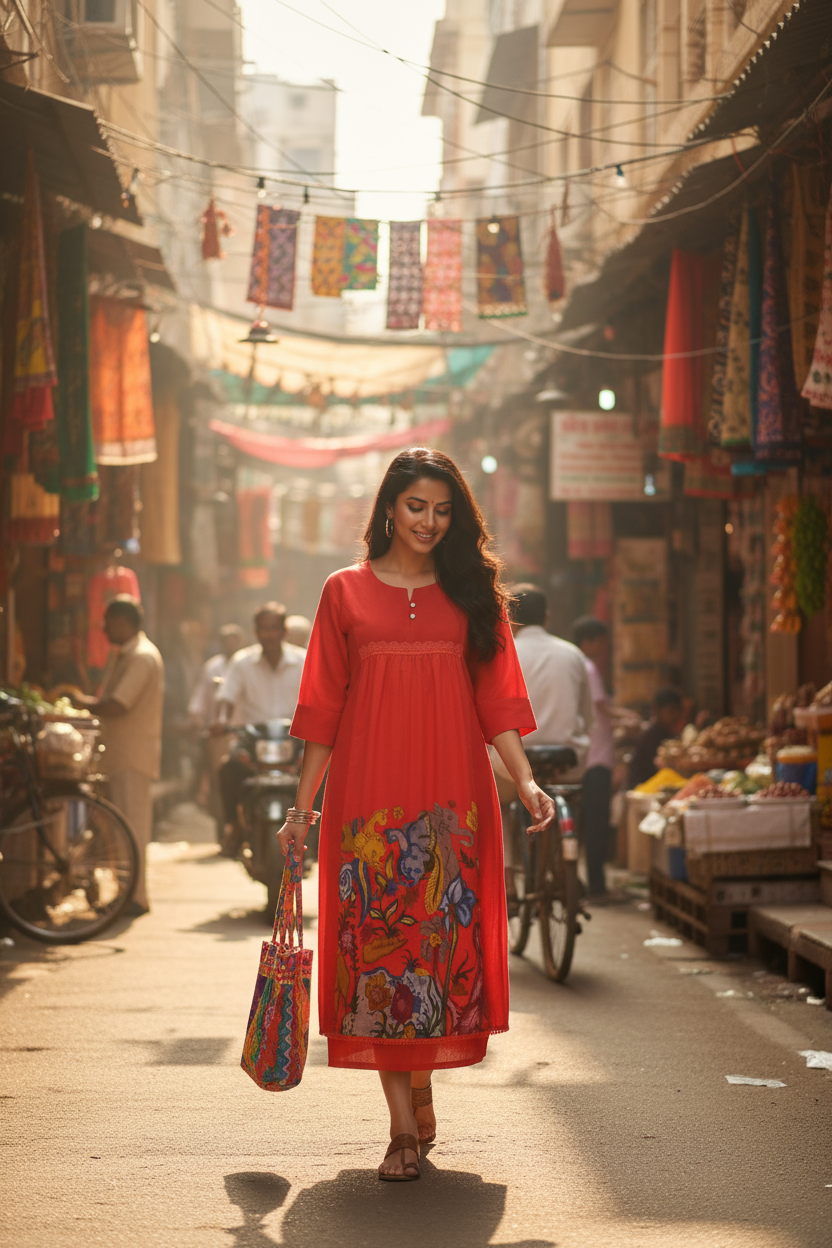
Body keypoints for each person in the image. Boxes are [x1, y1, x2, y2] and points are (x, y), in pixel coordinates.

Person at [278, 447, 553, 1182]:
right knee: (378, 953)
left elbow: (497, 702)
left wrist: (524, 782)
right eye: (415, 507)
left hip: (451, 805)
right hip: (367, 806)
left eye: (442, 509)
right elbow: (323, 710)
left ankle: (421, 1081)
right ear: (388, 510)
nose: (429, 521)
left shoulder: (472, 596)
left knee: (432, 951)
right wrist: (301, 812)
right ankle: (400, 1127)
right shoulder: (344, 593)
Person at [73, 596, 164, 916]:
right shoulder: (128, 654)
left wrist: (79, 702)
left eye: (108, 622)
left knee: (132, 829)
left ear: (123, 622)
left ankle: (134, 897)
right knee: (120, 831)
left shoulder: (141, 657)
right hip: (121, 756)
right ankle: (127, 893)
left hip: (132, 758)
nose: (104, 628)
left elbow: (118, 704)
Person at [213, 603, 305, 849]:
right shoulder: (242, 662)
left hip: (295, 740)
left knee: (324, 774)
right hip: (253, 740)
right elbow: (226, 696)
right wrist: (221, 720)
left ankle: (323, 831)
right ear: (256, 632)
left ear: (284, 631)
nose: (269, 635)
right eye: (264, 629)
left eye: (274, 628)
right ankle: (233, 826)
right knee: (228, 769)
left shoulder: (303, 660)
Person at [573, 616, 616, 901]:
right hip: (596, 757)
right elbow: (602, 707)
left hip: (584, 756)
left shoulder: (576, 663)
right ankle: (597, 887)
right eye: (599, 640)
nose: (602, 646)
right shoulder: (588, 667)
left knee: (584, 824)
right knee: (596, 824)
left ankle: (583, 883)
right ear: (587, 641)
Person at [628, 687, 687, 789]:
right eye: (671, 710)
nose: (676, 715)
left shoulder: (669, 734)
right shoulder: (650, 736)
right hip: (644, 789)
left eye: (678, 710)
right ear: (657, 710)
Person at [188, 624, 245, 724]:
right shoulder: (212, 667)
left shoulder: (247, 666)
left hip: (241, 726)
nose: (231, 644)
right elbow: (200, 697)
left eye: (234, 641)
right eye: (227, 641)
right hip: (217, 727)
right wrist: (197, 718)